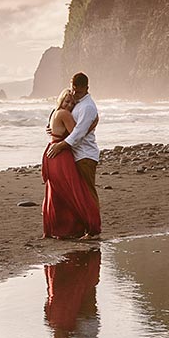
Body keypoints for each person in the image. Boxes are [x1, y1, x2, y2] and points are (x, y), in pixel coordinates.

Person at [41, 87, 101, 239]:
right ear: (61, 99)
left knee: (55, 193)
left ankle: (57, 228)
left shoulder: (54, 113)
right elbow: (77, 135)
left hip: (51, 152)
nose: (69, 105)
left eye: (72, 103)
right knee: (73, 191)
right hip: (61, 154)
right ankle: (89, 227)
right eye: (67, 101)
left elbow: (62, 131)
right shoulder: (65, 114)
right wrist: (92, 124)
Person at [46, 72, 101, 212]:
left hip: (85, 155)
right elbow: (68, 123)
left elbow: (78, 134)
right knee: (79, 193)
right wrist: (53, 129)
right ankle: (85, 227)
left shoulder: (87, 106)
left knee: (88, 193)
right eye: (73, 89)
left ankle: (94, 227)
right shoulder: (77, 103)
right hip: (75, 155)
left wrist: (60, 145)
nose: (75, 94)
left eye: (79, 91)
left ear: (87, 88)